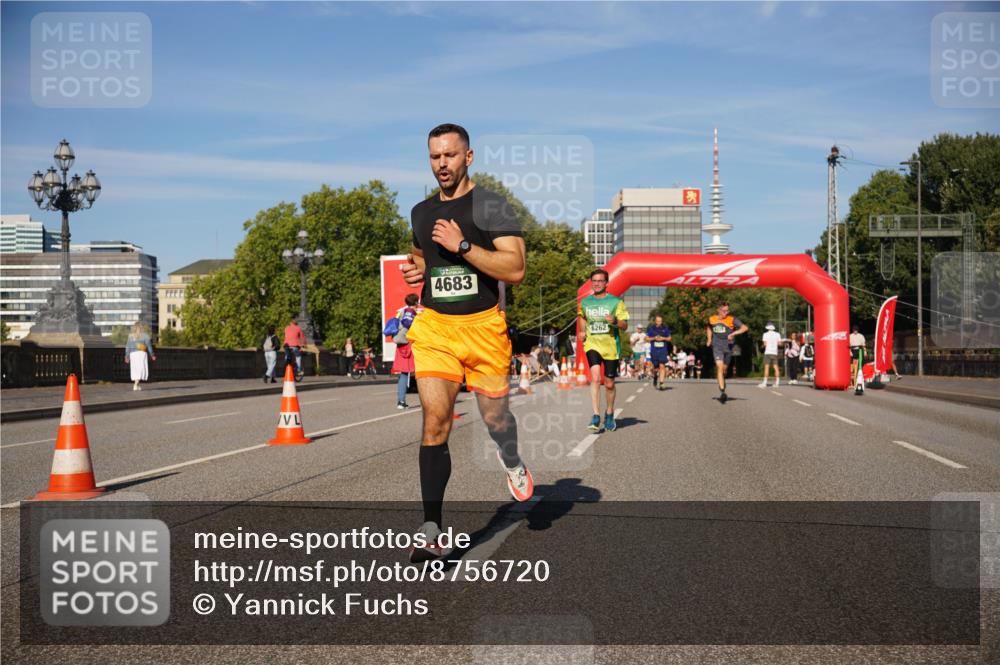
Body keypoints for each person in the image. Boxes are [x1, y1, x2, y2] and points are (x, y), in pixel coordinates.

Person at [400, 123, 532, 563]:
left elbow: (514, 268)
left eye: (450, 155)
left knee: (496, 420)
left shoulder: (491, 206)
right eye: (435, 156)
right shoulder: (420, 212)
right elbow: (422, 254)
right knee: (435, 421)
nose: (442, 164)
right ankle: (431, 526)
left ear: (468, 157)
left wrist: (463, 246)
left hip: (484, 328)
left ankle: (510, 456)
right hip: (436, 328)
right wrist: (418, 270)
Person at [578, 268, 629, 431]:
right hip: (592, 344)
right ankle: (595, 415)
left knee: (609, 383)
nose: (597, 284)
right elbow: (582, 317)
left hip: (611, 347)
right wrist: (583, 330)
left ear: (606, 283)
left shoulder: (616, 302)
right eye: (594, 281)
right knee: (595, 378)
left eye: (600, 281)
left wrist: (614, 321)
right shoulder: (585, 302)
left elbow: (625, 325)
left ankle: (609, 413)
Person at [707, 302, 748, 403]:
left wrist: (734, 333)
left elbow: (745, 328)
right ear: (718, 310)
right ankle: (722, 392)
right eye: (724, 311)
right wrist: (709, 339)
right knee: (719, 368)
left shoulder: (731, 319)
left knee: (724, 370)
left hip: (729, 348)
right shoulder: (712, 319)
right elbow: (709, 328)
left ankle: (722, 382)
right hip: (717, 347)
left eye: (727, 311)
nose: (726, 312)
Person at [392, 293, 420, 409]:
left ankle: (401, 401)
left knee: (403, 374)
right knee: (421, 373)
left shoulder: (401, 313)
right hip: (409, 346)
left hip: (400, 346)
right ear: (416, 302)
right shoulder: (413, 314)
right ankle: (429, 400)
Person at [125, 322, 156, 391]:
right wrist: (152, 355)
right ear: (142, 328)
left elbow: (128, 347)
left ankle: (137, 385)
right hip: (141, 354)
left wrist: (127, 356)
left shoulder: (130, 336)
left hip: (133, 354)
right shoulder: (145, 336)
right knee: (140, 370)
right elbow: (149, 346)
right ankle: (135, 385)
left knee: (135, 370)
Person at [646, 315, 672, 390]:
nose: (659, 322)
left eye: (660, 321)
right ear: (655, 321)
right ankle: (655, 376)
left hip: (663, 350)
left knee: (662, 365)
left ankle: (661, 383)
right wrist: (654, 338)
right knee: (656, 368)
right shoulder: (651, 329)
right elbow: (646, 338)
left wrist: (663, 338)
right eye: (657, 321)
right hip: (654, 350)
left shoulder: (665, 329)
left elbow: (669, 338)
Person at [759, 322, 781, 388]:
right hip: (775, 352)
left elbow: (765, 344)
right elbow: (779, 344)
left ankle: (765, 383)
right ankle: (777, 383)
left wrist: (762, 346)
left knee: (767, 367)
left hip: (768, 352)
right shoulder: (777, 334)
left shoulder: (765, 334)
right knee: (776, 367)